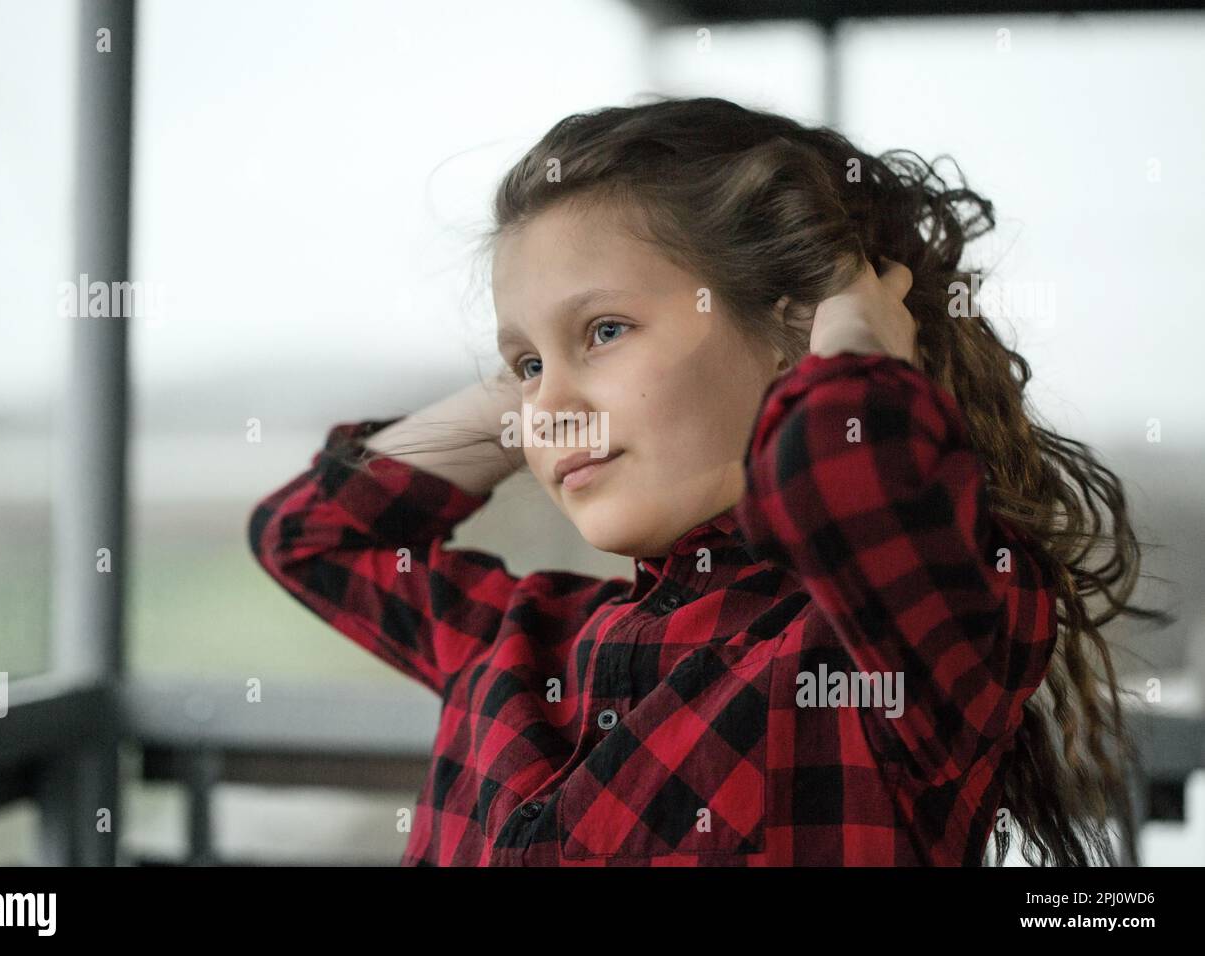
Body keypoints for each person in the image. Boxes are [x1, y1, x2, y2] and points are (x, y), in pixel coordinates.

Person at [248, 96, 1170, 866]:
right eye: (521, 365)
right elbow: (314, 535)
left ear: (791, 334)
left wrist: (848, 329)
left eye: (609, 329)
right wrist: (547, 374)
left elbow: (842, 482)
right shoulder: (516, 642)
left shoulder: (888, 662)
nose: (545, 406)